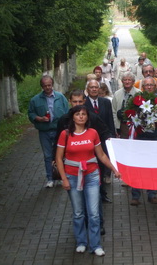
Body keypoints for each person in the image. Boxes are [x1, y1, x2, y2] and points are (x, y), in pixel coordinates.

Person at [55, 105, 121, 256]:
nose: (81, 117)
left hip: (91, 175)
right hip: (72, 176)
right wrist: (63, 178)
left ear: (87, 117)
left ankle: (96, 245)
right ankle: (81, 242)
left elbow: (101, 155)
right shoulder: (65, 134)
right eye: (78, 114)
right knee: (78, 212)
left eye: (84, 114)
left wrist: (114, 169)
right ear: (72, 117)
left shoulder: (93, 133)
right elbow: (58, 158)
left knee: (94, 213)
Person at [55, 90, 112, 236]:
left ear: (85, 101)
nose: (78, 105)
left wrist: (109, 151)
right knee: (78, 202)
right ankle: (82, 227)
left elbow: (105, 133)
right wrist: (55, 162)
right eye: (75, 102)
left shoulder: (93, 117)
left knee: (95, 196)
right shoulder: (63, 120)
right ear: (70, 102)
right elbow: (57, 143)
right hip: (72, 168)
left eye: (80, 102)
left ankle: (98, 225)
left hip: (92, 164)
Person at [129, 77, 157, 206]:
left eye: (151, 85)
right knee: (138, 166)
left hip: (156, 137)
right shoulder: (137, 99)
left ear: (155, 86)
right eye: (146, 85)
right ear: (142, 87)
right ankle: (135, 195)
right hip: (141, 137)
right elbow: (130, 114)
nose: (149, 87)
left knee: (153, 167)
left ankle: (152, 193)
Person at [28, 75, 69, 188]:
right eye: (45, 86)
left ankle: (61, 177)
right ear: (42, 86)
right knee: (47, 155)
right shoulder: (35, 100)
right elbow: (30, 114)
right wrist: (39, 118)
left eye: (49, 85)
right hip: (44, 131)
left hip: (59, 130)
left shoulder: (60, 97)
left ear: (52, 84)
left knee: (60, 154)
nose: (47, 88)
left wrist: (66, 127)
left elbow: (67, 112)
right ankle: (50, 178)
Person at [85, 80, 116, 203]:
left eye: (96, 87)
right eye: (91, 87)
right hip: (88, 140)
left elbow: (110, 120)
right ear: (87, 89)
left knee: (102, 168)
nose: (93, 89)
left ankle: (102, 194)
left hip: (103, 139)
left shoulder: (106, 102)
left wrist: (112, 135)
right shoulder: (83, 102)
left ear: (99, 89)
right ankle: (91, 195)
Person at [112, 72, 140, 139]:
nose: (127, 82)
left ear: (133, 81)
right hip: (122, 125)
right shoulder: (117, 94)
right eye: (125, 80)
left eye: (129, 80)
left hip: (135, 125)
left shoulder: (139, 93)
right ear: (122, 81)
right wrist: (116, 127)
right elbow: (114, 111)